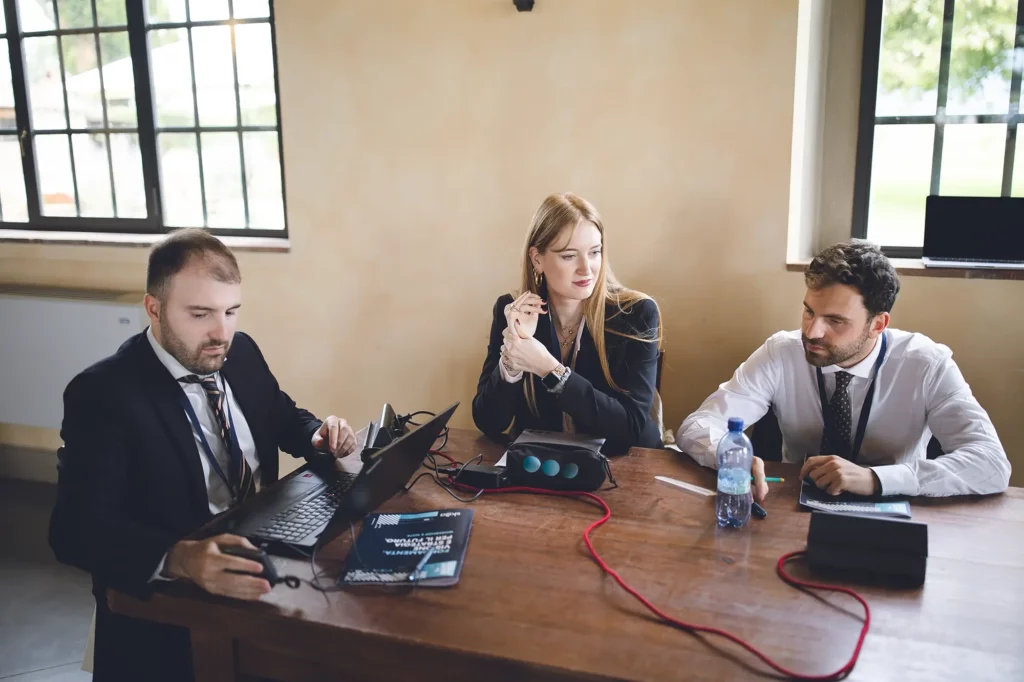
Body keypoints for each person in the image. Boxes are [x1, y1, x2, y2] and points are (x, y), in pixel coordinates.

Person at [48, 228, 359, 681]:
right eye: (200, 314)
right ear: (154, 308)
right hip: (173, 611)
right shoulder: (104, 394)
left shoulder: (240, 351)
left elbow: (280, 415)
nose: (221, 333)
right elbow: (73, 532)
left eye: (231, 311)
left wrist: (316, 435)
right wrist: (179, 558)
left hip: (262, 563)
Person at [677, 239, 1010, 501]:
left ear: (878, 324)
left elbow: (991, 463)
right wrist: (728, 455)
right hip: (791, 507)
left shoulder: (926, 364)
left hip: (895, 512)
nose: (812, 332)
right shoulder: (781, 352)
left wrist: (876, 478)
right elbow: (697, 426)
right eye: (809, 312)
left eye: (835, 321)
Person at [472, 192, 662, 454]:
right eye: (569, 256)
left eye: (594, 252)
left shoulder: (636, 313)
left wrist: (549, 370)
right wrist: (512, 360)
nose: (586, 268)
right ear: (537, 259)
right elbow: (489, 422)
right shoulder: (514, 310)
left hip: (625, 464)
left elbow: (630, 428)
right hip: (542, 463)